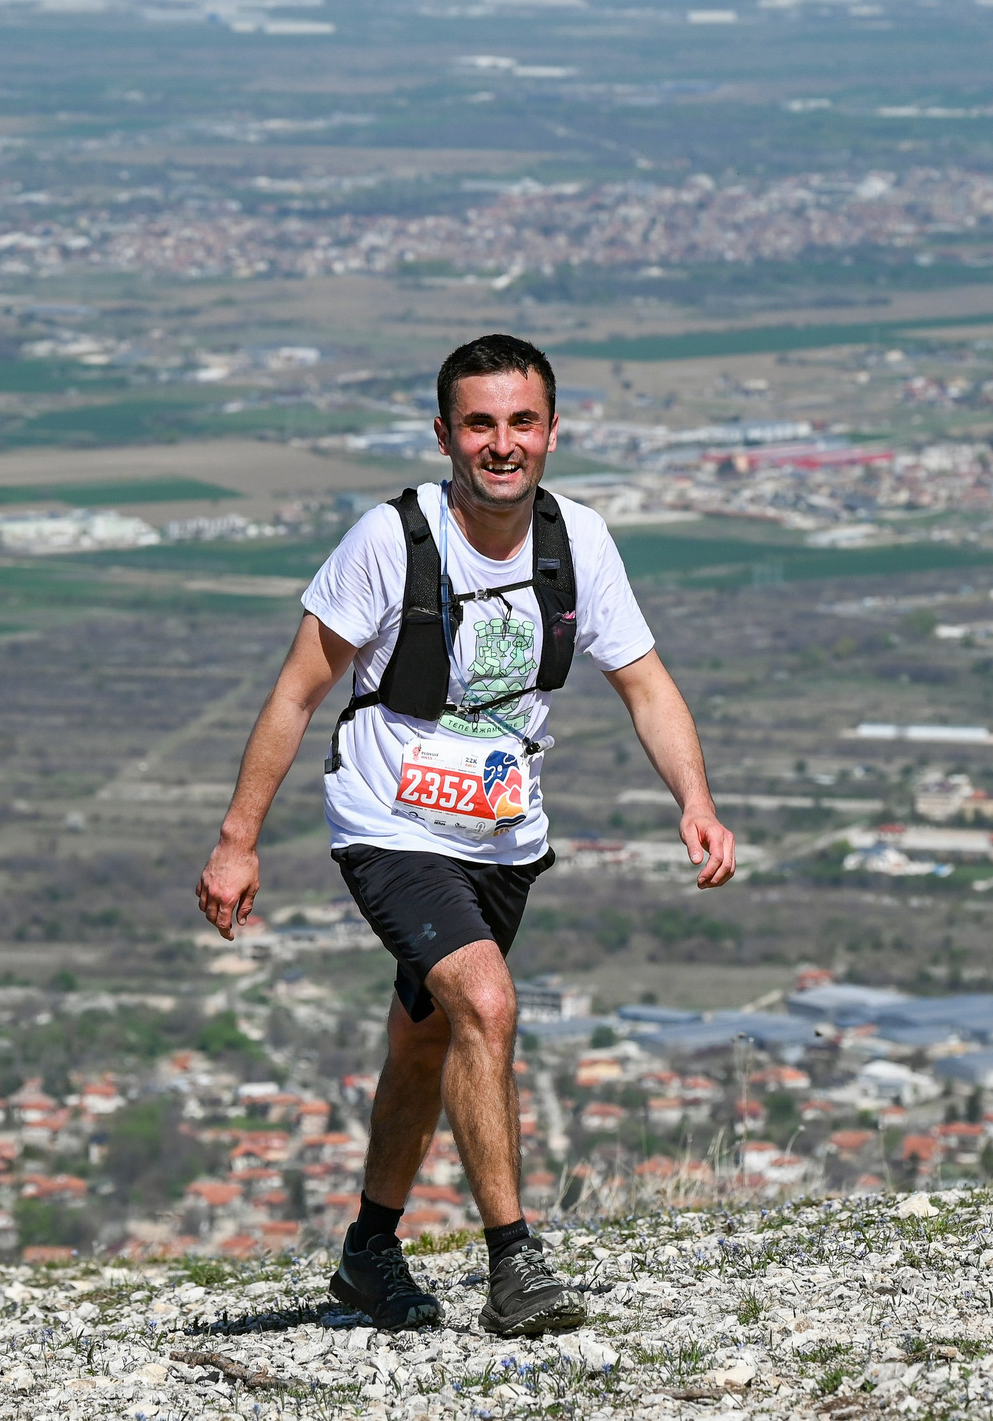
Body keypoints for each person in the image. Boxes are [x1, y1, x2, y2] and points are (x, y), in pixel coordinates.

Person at [196, 333, 735, 1337]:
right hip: (388, 821)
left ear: (551, 431)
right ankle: (514, 1263)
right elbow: (297, 688)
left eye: (520, 421)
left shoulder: (578, 541)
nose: (501, 443)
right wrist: (238, 837)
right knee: (484, 999)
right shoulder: (389, 539)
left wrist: (692, 801)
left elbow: (645, 681)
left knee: (426, 1035)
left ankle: (368, 1252)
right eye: (479, 423)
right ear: (443, 433)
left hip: (500, 832)